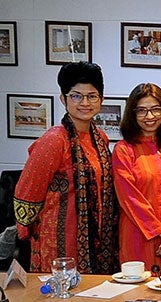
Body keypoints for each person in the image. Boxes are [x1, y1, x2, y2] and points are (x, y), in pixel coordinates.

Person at [14, 62, 118, 274]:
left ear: (101, 100)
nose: (85, 103)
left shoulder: (101, 138)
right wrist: (26, 233)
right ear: (63, 99)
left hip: (98, 242)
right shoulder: (53, 140)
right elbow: (27, 193)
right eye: (76, 96)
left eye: (92, 96)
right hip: (59, 243)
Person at [113, 83, 161, 268]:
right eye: (141, 110)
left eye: (155, 109)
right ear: (132, 115)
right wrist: (160, 232)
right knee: (140, 291)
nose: (149, 116)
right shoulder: (124, 150)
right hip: (139, 236)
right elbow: (129, 198)